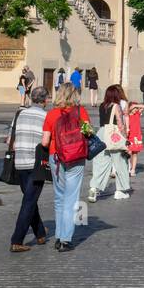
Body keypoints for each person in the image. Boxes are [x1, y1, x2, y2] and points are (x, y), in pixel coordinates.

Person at [41, 82, 89, 252]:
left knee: (59, 197)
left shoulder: (52, 114)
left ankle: (59, 236)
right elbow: (88, 132)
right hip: (75, 156)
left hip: (56, 157)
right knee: (72, 198)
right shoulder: (80, 112)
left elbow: (44, 141)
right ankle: (66, 240)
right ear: (75, 95)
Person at [6, 85, 50, 252]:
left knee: (30, 199)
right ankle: (16, 240)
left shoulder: (20, 114)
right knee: (29, 201)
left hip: (20, 162)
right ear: (45, 100)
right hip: (37, 164)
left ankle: (39, 233)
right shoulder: (46, 116)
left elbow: (10, 139)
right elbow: (47, 141)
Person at [89, 84, 131, 203]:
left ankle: (94, 188)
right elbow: (120, 124)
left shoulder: (102, 106)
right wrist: (125, 139)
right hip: (113, 135)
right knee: (120, 162)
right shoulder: (116, 106)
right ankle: (120, 191)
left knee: (100, 163)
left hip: (102, 133)